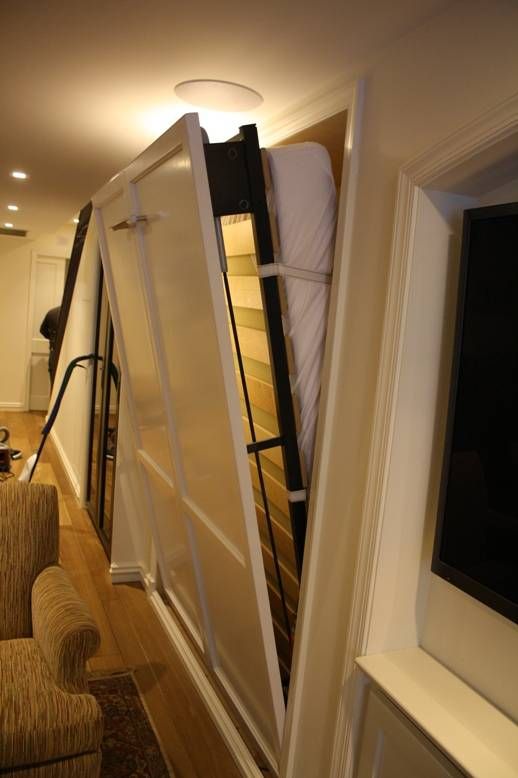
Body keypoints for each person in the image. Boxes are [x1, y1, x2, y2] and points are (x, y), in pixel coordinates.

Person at [40, 306, 61, 383]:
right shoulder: (72, 314)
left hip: (54, 351)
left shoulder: (51, 313)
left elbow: (42, 330)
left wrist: (52, 338)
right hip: (70, 353)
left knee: (54, 383)